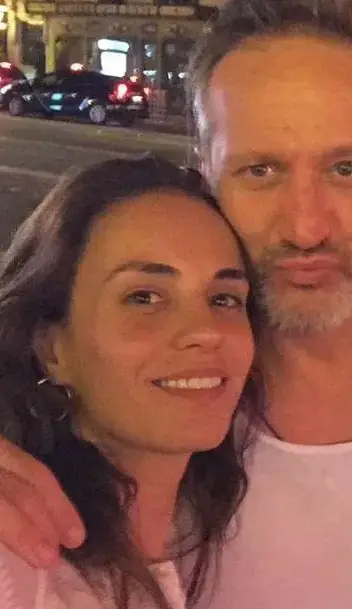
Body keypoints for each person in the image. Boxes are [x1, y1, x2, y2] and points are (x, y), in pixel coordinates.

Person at [0, 0, 352, 607]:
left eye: (346, 169)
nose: (306, 228)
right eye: (260, 170)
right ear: (205, 180)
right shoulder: (163, 383)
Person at [0, 155, 264, 608]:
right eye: (143, 297)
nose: (206, 331)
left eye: (224, 299)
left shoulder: (202, 527)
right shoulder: (19, 560)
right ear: (52, 349)